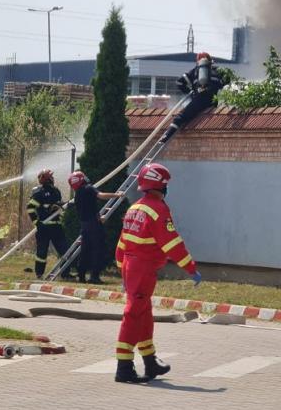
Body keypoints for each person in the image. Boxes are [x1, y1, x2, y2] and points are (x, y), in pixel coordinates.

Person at [113, 163, 201, 383]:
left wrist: (122, 269)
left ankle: (150, 362)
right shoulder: (158, 209)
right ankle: (124, 368)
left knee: (143, 315)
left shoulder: (135, 208)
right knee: (134, 315)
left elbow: (122, 242)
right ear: (161, 186)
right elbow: (172, 243)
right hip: (142, 269)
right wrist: (191, 268)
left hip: (131, 267)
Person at [158, 52, 228, 144]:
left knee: (179, 118)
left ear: (198, 61)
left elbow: (179, 82)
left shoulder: (195, 71)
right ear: (211, 61)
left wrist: (190, 91)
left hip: (199, 100)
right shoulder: (219, 71)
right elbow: (227, 80)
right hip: (213, 101)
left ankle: (166, 137)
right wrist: (217, 86)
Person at [68, 170, 122, 284]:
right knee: (99, 249)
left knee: (85, 250)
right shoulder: (88, 188)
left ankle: (81, 276)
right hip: (94, 225)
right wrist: (116, 195)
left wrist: (98, 217)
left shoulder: (77, 194)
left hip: (85, 225)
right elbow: (101, 195)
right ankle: (94, 277)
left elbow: (87, 209)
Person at [27, 169, 66, 280]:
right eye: (51, 177)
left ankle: (65, 273)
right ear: (46, 179)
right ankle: (39, 274)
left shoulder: (56, 191)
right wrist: (37, 223)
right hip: (44, 227)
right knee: (42, 252)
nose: (53, 179)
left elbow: (57, 204)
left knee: (64, 250)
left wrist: (60, 205)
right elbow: (30, 208)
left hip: (56, 226)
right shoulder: (38, 193)